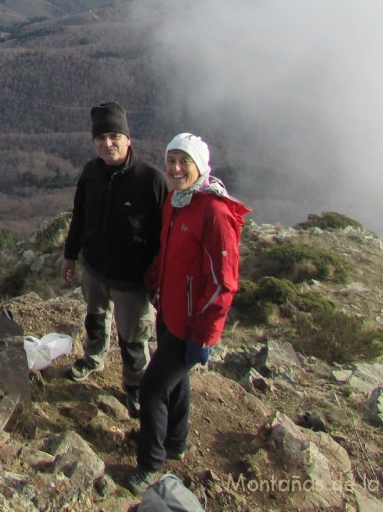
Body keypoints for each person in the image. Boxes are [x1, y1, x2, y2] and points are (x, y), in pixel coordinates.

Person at [128, 132, 251, 494]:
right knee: (175, 382)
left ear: (201, 166)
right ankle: (176, 442)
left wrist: (205, 336)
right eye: (172, 161)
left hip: (190, 325)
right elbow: (169, 253)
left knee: (151, 390)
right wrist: (153, 282)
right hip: (169, 312)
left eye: (185, 162)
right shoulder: (177, 202)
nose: (176, 168)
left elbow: (223, 284)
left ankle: (150, 466)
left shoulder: (214, 212)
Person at [61, 101, 168, 417]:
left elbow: (166, 237)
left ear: (128, 139)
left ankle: (135, 386)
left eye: (113, 136)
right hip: (94, 267)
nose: (107, 144)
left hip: (132, 278)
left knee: (134, 336)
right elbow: (80, 216)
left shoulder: (151, 180)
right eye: (100, 138)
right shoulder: (91, 173)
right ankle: (94, 358)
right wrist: (70, 255)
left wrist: (159, 279)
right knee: (95, 317)